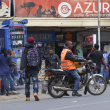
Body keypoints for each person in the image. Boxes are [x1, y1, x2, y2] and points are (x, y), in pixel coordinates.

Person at [20, 37, 41, 101]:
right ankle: (35, 92)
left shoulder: (25, 49)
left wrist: (21, 68)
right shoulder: (36, 49)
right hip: (35, 68)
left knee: (27, 83)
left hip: (27, 69)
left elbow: (23, 59)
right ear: (33, 42)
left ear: (28, 42)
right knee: (35, 81)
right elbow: (39, 59)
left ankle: (27, 97)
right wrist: (39, 68)